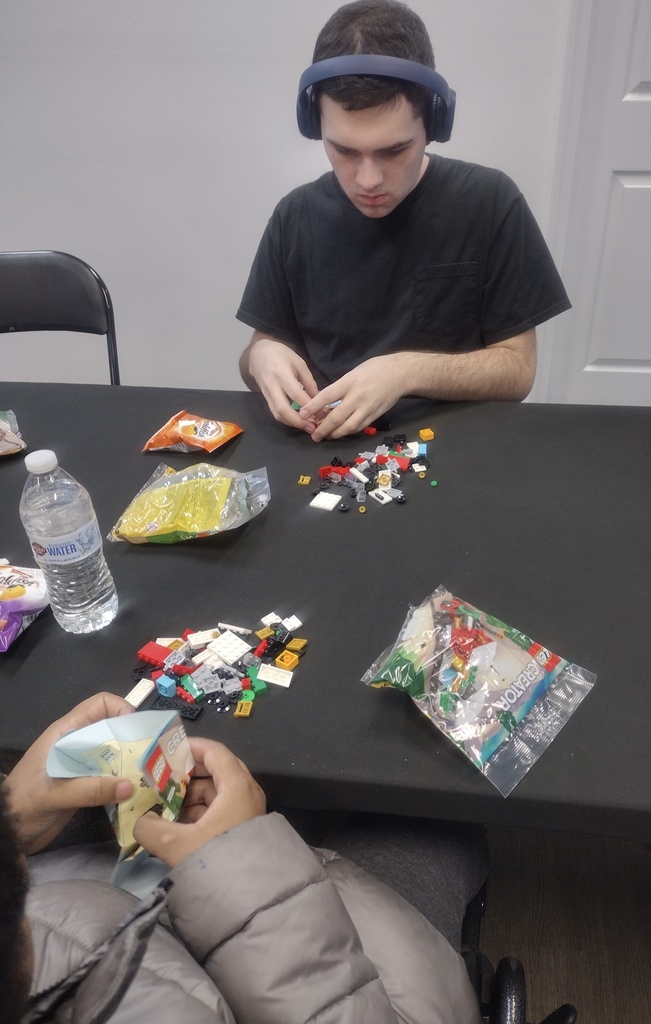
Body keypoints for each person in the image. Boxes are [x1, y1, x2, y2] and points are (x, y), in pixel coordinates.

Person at [1, 692, 486, 1023]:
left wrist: (11, 820)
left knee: (296, 803)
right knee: (436, 825)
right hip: (346, 981)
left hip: (106, 900)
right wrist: (240, 860)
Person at [237, 0, 571, 441]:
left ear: (434, 122)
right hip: (327, 456)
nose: (368, 180)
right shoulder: (294, 217)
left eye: (394, 151)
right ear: (315, 125)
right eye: (344, 151)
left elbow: (518, 369)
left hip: (453, 452)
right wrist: (260, 358)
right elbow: (258, 349)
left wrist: (406, 371)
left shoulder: (491, 203)